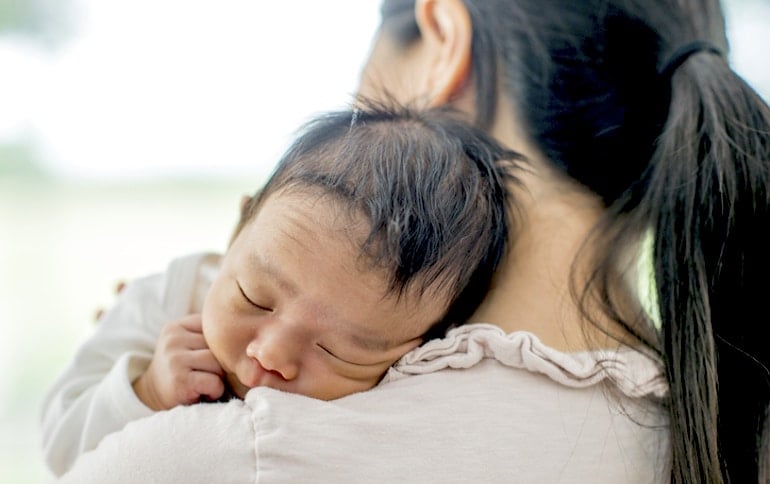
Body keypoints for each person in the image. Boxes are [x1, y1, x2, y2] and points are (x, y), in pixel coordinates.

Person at [51, 0, 770, 483]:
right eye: (257, 293)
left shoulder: (232, 455)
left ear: (443, 41)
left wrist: (135, 389)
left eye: (348, 348)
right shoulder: (724, 423)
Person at [41, 102, 519, 476]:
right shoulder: (168, 297)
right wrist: (146, 390)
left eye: (338, 350)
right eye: (254, 298)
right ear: (237, 231)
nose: (271, 355)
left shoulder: (421, 388)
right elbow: (60, 446)